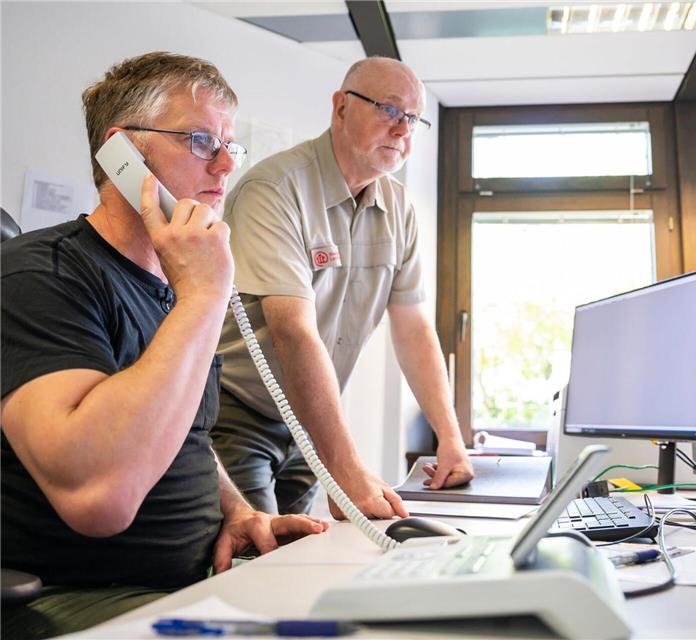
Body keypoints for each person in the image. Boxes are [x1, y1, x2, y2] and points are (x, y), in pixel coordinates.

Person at [0, 52, 327, 639]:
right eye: (202, 140)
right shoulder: (38, 276)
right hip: (74, 600)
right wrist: (205, 296)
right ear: (121, 151)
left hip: (193, 581)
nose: (227, 165)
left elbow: (183, 435)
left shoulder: (172, 289)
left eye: (231, 145)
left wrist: (235, 510)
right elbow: (99, 500)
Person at [214, 56, 473, 519]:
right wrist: (347, 468)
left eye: (412, 118)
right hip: (240, 413)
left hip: (313, 417)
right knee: (253, 561)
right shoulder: (274, 189)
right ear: (340, 108)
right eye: (389, 111)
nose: (402, 130)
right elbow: (293, 330)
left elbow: (414, 328)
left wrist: (450, 439)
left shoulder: (401, 210)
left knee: (298, 556)